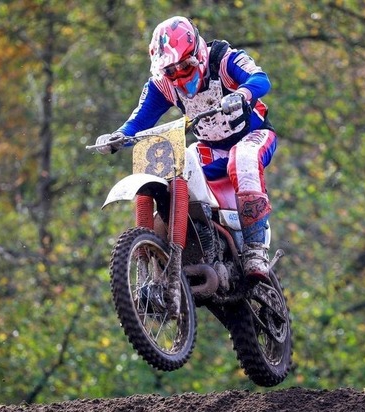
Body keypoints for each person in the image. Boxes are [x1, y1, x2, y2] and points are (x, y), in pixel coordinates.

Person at [96, 16, 278, 282]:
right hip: (211, 148)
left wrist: (242, 94)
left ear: (198, 54)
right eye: (171, 71)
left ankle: (255, 249)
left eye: (184, 65)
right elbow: (140, 120)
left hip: (253, 135)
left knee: (243, 158)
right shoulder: (162, 84)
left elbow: (261, 79)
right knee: (180, 167)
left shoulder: (223, 59)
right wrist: (119, 136)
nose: (179, 74)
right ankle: (196, 243)